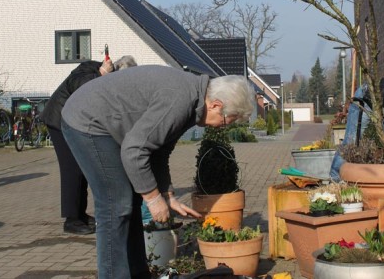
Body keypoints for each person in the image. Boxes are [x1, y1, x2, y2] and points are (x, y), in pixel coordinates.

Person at [61, 65, 255, 279]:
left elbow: (158, 151)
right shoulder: (180, 99)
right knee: (115, 203)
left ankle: (138, 273)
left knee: (130, 201)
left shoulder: (193, 101)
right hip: (87, 120)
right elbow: (135, 151)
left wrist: (167, 195)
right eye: (228, 120)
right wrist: (153, 199)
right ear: (216, 105)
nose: (223, 126)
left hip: (104, 123)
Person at [40, 55, 137, 235]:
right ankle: (72, 220)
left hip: (76, 123)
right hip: (59, 121)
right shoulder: (89, 68)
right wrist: (101, 73)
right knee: (72, 169)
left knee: (83, 168)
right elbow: (75, 84)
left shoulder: (108, 83)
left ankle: (80, 214)